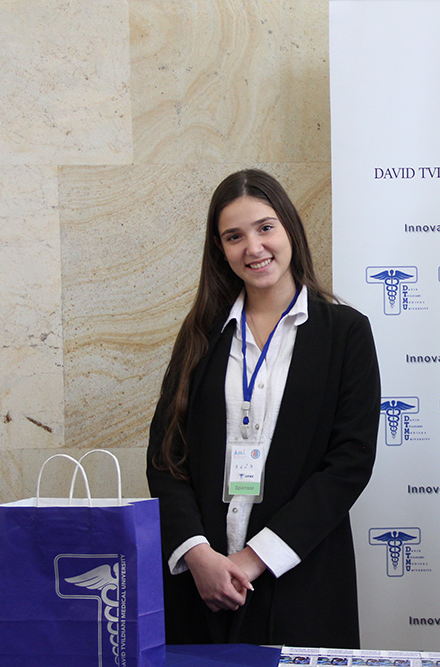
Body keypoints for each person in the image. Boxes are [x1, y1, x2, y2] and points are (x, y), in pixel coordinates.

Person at [147, 169, 381, 648]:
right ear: (220, 249)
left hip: (301, 578)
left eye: (265, 227)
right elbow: (165, 456)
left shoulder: (346, 333)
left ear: (290, 228)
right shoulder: (201, 334)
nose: (253, 247)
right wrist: (198, 554)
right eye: (234, 236)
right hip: (202, 585)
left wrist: (254, 559)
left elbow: (349, 464)